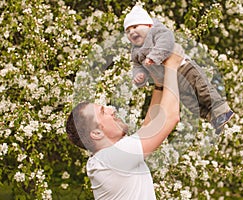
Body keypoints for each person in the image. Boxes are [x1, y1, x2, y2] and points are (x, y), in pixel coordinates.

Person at [65, 44, 184, 200]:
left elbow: (150, 127)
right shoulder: (113, 158)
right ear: (96, 133)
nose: (111, 110)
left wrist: (160, 85)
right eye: (103, 112)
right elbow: (169, 117)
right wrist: (172, 66)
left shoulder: (106, 159)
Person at [124, 6, 234, 134]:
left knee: (202, 91)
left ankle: (222, 110)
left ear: (148, 25)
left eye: (135, 27)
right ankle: (213, 118)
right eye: (128, 31)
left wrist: (154, 57)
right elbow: (137, 67)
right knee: (190, 103)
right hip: (171, 81)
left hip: (184, 69)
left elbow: (166, 42)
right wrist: (139, 77)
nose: (131, 32)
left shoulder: (156, 32)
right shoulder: (135, 52)